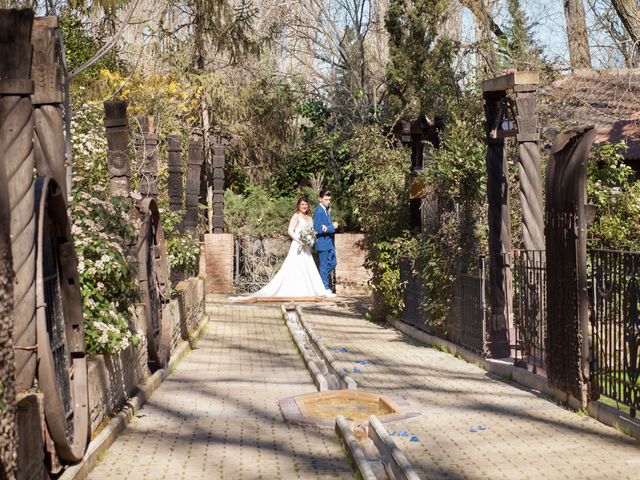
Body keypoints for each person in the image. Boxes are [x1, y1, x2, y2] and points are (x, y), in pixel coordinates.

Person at [230, 195, 328, 300]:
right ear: (298, 206)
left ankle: (311, 289)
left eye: (306, 204)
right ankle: (296, 289)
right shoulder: (296, 216)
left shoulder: (309, 217)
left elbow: (311, 230)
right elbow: (290, 230)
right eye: (302, 204)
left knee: (308, 265)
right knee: (295, 266)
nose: (304, 206)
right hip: (298, 245)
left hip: (306, 247)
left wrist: (311, 238)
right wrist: (299, 240)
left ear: (308, 206)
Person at [313, 189, 337, 298]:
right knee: (323, 266)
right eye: (326, 199)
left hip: (329, 242)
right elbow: (317, 228)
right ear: (320, 199)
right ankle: (325, 288)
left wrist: (327, 228)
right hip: (322, 243)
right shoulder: (318, 210)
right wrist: (332, 227)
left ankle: (320, 282)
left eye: (329, 200)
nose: (328, 201)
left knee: (333, 263)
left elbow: (325, 227)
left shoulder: (327, 210)